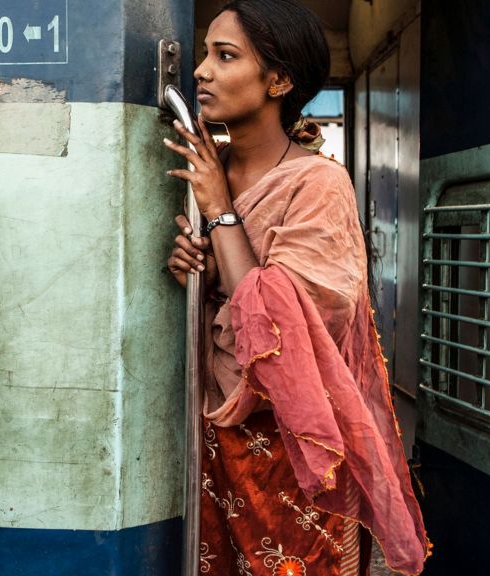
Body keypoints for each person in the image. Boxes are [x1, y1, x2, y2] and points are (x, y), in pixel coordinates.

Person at [164, 2, 429, 575]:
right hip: (210, 436)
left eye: (225, 56)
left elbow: (287, 326)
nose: (202, 71)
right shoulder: (204, 166)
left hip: (296, 449)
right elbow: (220, 296)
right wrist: (195, 268)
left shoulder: (319, 185)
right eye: (205, 53)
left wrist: (219, 211)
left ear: (279, 80)